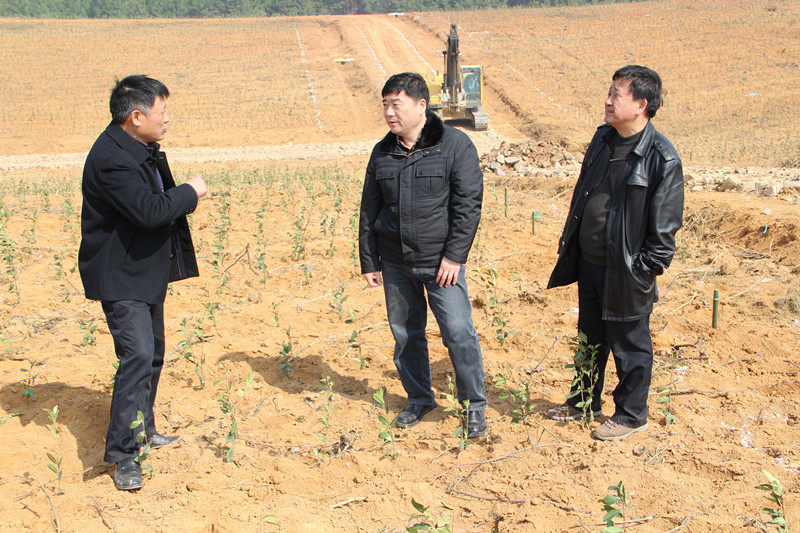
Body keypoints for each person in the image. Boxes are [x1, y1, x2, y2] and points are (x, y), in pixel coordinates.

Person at [79, 75, 208, 490]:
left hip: (142, 271)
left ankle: (144, 428)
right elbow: (150, 211)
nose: (167, 119)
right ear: (136, 117)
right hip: (121, 276)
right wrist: (190, 192)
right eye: (161, 111)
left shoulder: (135, 147)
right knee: (136, 358)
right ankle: (123, 455)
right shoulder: (112, 159)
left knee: (152, 355)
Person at [546, 65, 684, 441]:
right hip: (591, 261)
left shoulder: (661, 158)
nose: (607, 101)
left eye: (616, 95)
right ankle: (583, 401)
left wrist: (641, 269)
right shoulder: (603, 138)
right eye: (608, 93)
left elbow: (664, 230)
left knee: (630, 345)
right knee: (589, 337)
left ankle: (631, 415)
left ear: (641, 105)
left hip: (626, 269)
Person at [359, 72, 488, 438]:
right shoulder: (382, 152)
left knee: (458, 332)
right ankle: (419, 398)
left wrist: (454, 257)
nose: (389, 113)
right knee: (406, 335)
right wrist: (369, 260)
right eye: (385, 105)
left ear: (420, 106)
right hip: (395, 261)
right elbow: (369, 209)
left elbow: (468, 206)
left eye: (395, 105)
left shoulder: (454, 145)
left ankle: (474, 405)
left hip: (441, 263)